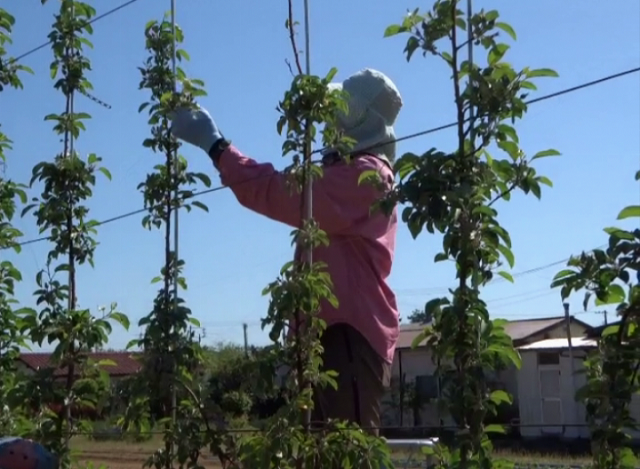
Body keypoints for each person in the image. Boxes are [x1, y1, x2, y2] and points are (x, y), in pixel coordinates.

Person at [170, 68, 402, 435]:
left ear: (361, 118)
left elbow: (280, 192)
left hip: (348, 331)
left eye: (341, 107)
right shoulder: (347, 172)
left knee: (346, 451)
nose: (330, 116)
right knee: (321, 449)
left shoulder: (368, 176)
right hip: (327, 330)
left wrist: (216, 146)